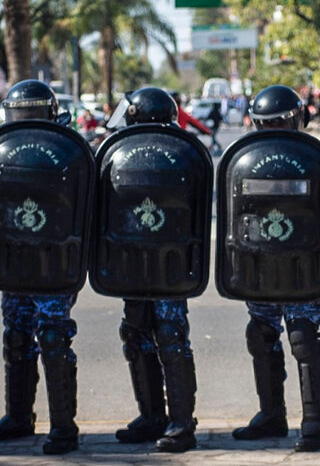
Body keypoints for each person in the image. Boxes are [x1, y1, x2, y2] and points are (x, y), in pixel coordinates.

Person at [0, 80, 81, 454]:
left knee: (52, 337)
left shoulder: (69, 149)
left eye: (31, 114)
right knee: (16, 335)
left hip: (54, 261)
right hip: (16, 258)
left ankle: (63, 427)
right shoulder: (2, 149)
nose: (24, 121)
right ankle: (19, 418)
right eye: (19, 114)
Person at [231, 85, 320, 452]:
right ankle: (272, 415)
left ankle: (315, 423)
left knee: (303, 338)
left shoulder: (314, 158)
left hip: (302, 265)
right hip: (261, 264)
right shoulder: (246, 159)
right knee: (260, 334)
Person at [112, 87, 200, 453]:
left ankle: (181, 422)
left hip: (167, 261)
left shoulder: (179, 153)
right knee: (136, 331)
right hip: (137, 257)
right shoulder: (124, 151)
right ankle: (152, 416)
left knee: (169, 335)